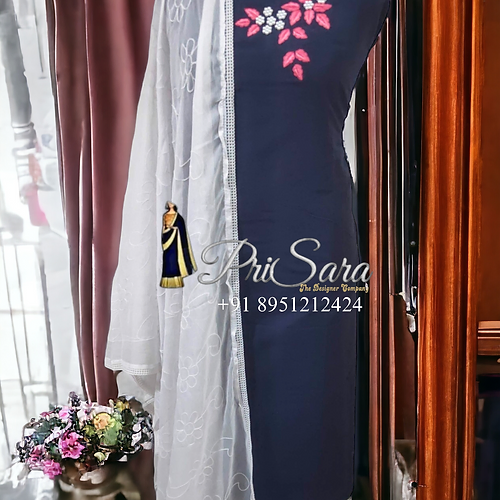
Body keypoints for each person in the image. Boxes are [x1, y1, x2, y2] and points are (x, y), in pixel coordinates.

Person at [160, 201, 197, 288]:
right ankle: (167, 281)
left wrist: (174, 229)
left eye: (171, 203)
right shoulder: (165, 215)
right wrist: (166, 232)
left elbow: (181, 227)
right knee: (167, 259)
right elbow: (164, 226)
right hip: (167, 238)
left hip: (176, 240)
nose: (170, 204)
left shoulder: (178, 217)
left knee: (174, 259)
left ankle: (177, 281)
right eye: (169, 203)